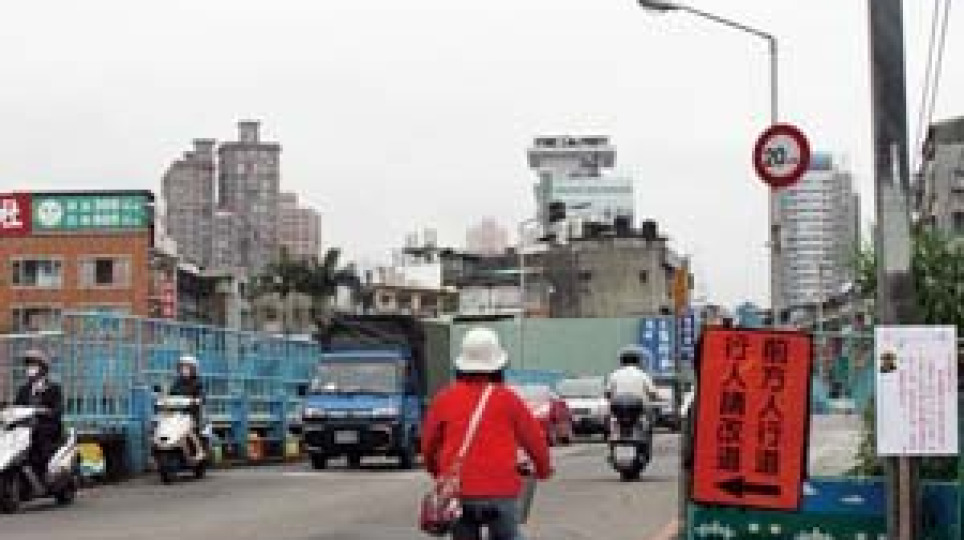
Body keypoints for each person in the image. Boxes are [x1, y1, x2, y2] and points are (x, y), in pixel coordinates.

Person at [422, 328, 553, 540]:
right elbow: (534, 440)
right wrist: (543, 470)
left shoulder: (444, 399)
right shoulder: (509, 399)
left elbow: (429, 445)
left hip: (459, 493)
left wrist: (438, 472)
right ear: (498, 366)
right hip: (501, 491)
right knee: (508, 535)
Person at [13, 349, 64, 474]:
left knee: (38, 438)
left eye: (33, 365)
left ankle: (43, 472)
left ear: (42, 368)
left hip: (46, 428)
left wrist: (42, 411)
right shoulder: (23, 390)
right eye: (28, 366)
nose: (29, 369)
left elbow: (58, 410)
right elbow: (15, 408)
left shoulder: (53, 388)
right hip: (25, 429)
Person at [169, 355, 205, 458]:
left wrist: (197, 400)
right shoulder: (177, 383)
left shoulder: (197, 383)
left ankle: (199, 451)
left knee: (186, 429)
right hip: (177, 414)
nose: (184, 370)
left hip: (191, 414)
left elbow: (202, 396)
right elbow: (170, 395)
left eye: (187, 368)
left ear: (193, 369)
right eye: (182, 368)